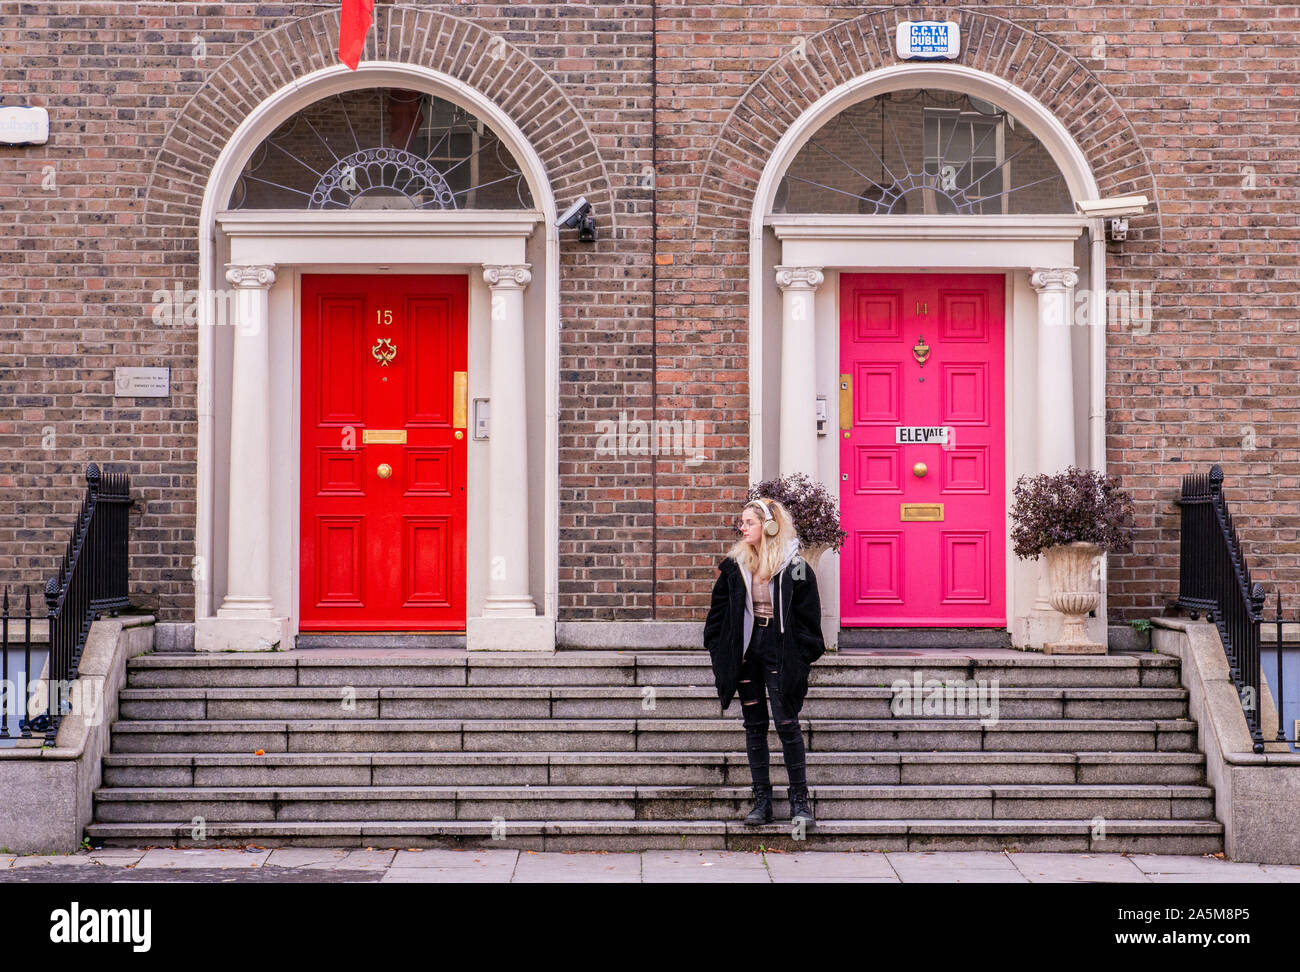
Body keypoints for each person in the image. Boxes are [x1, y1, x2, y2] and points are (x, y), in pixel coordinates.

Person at [702, 497, 826, 827]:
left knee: (787, 724)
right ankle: (762, 802)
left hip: (780, 650)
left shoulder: (795, 567)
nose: (742, 528)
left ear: (769, 526)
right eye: (741, 523)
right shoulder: (734, 566)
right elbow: (717, 616)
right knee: (754, 726)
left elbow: (810, 620)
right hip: (746, 651)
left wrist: (801, 655)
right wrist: (719, 650)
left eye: (749, 523)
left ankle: (801, 802)